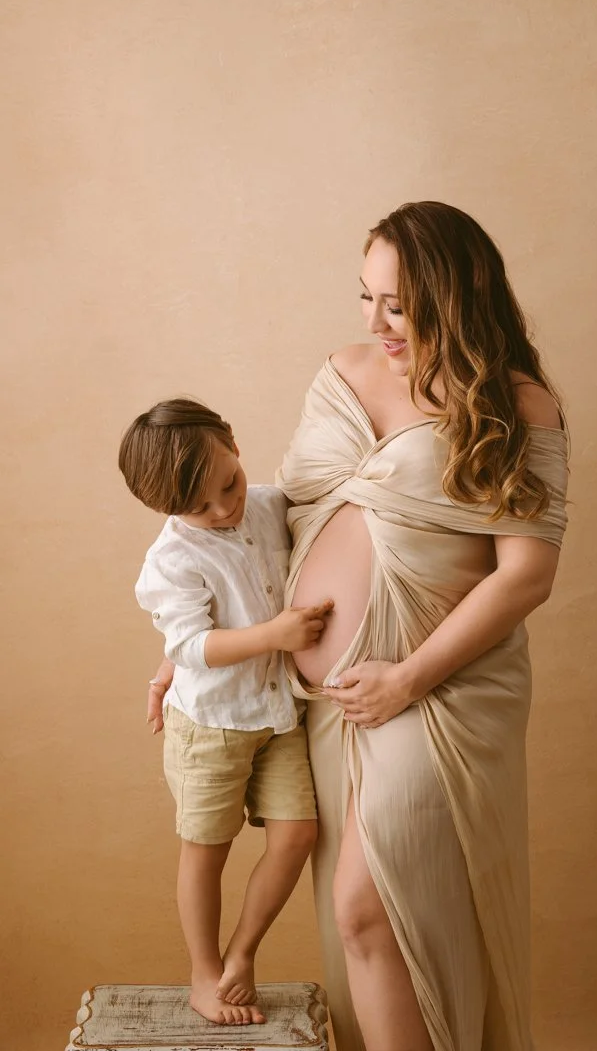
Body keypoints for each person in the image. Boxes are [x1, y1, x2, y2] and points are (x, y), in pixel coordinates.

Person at [150, 200, 569, 1051]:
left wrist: (406, 678)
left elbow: (526, 574)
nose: (376, 323)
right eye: (366, 297)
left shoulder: (520, 406)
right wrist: (189, 650)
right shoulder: (341, 372)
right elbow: (270, 524)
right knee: (367, 931)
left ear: (456, 297)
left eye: (399, 305)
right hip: (325, 704)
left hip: (437, 690)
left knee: (368, 904)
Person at [119, 399, 333, 1026]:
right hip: (210, 726)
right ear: (165, 507)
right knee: (206, 852)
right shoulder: (172, 559)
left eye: (229, 486)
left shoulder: (270, 505)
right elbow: (189, 643)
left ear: (234, 445)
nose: (223, 510)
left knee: (298, 834)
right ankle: (203, 972)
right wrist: (273, 636)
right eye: (199, 507)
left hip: (277, 716)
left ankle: (242, 952)